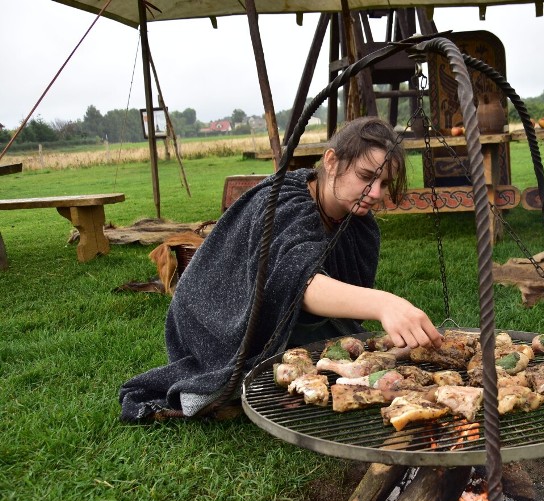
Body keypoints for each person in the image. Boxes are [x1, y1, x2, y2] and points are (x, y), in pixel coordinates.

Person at [119, 116, 442, 422]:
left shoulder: (357, 224)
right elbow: (295, 280)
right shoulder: (283, 202)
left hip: (281, 311)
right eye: (366, 176)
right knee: (263, 372)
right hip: (220, 317)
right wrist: (385, 303)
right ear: (331, 161)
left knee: (359, 354)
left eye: (384, 184)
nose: (375, 193)